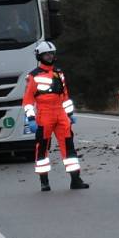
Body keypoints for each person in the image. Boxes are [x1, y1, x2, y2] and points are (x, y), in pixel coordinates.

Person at [23, 41, 89, 191]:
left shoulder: (59, 73)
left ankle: (75, 180)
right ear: (40, 56)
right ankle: (44, 181)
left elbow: (65, 96)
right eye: (46, 54)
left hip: (61, 115)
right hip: (44, 115)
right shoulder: (33, 76)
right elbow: (28, 101)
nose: (50, 56)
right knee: (42, 149)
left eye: (51, 54)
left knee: (69, 148)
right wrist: (31, 119)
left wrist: (70, 114)